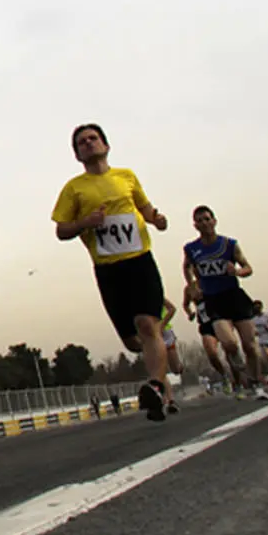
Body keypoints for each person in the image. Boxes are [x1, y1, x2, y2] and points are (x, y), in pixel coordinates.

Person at [50, 123, 176, 421]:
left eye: (93, 139)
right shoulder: (74, 189)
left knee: (148, 325)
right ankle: (156, 374)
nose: (88, 143)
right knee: (134, 342)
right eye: (82, 142)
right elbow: (61, 230)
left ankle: (156, 388)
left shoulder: (126, 177)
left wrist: (157, 219)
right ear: (77, 154)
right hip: (108, 270)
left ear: (106, 145)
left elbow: (145, 209)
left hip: (140, 260)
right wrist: (85, 222)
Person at [182, 206, 268, 400]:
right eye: (199, 220)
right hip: (214, 300)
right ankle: (238, 366)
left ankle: (256, 383)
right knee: (229, 343)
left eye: (206, 219)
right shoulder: (191, 249)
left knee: (251, 345)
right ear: (195, 225)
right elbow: (186, 267)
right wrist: (192, 286)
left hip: (234, 296)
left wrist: (236, 271)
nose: (204, 223)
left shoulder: (229, 244)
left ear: (214, 221)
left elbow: (248, 267)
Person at [182, 281, 236, 394]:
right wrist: (190, 313)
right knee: (211, 353)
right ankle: (224, 376)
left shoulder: (211, 279)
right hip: (206, 324)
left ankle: (238, 380)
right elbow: (185, 304)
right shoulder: (189, 288)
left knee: (230, 352)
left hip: (221, 319)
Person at [158, 298, 183, 412]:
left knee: (175, 369)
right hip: (153, 337)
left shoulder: (157, 294)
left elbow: (172, 309)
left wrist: (162, 325)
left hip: (166, 333)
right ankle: (170, 401)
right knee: (160, 369)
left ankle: (179, 366)